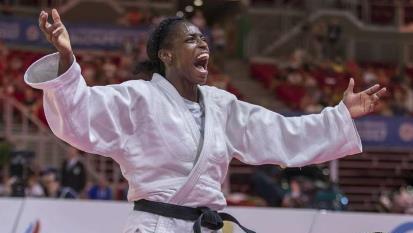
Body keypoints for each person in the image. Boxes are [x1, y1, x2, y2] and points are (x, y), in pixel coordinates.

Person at [24, 9, 386, 233]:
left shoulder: (222, 106)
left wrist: (340, 116)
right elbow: (80, 115)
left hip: (211, 226)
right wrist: (66, 60)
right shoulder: (137, 98)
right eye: (191, 40)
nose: (204, 46)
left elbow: (283, 134)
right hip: (156, 226)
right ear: (166, 54)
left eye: (204, 40)